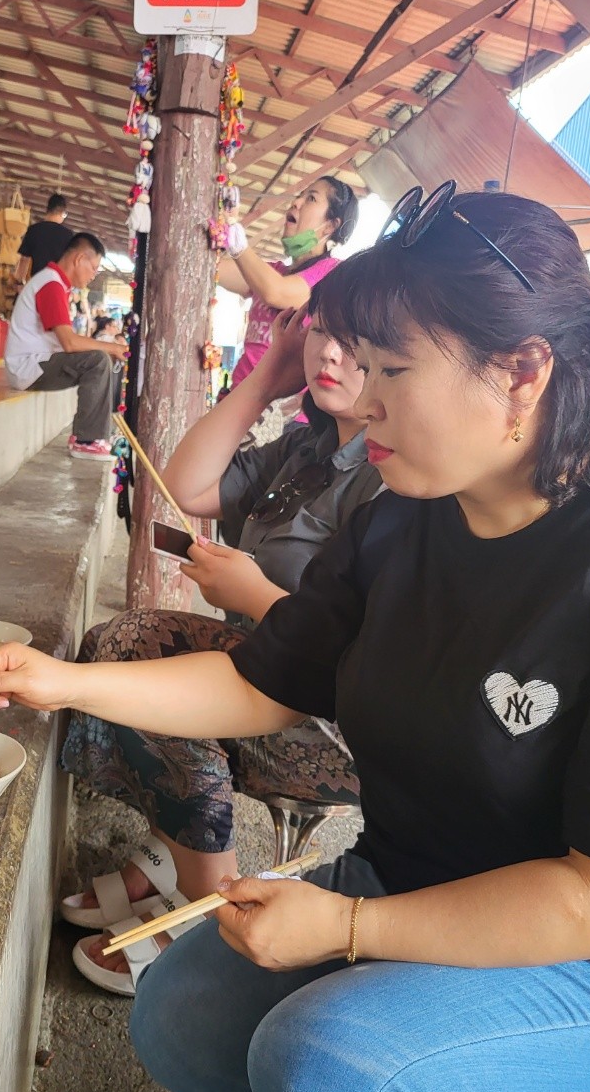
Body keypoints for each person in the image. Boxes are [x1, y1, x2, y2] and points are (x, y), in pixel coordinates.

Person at [0, 186, 590, 1092]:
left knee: (328, 1068)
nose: (360, 403)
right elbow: (261, 680)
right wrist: (61, 680)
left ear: (522, 372)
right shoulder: (401, 517)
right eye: (358, 366)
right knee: (182, 1021)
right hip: (415, 873)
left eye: (392, 371)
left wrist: (353, 926)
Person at [59, 300, 381, 994]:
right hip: (266, 673)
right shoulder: (302, 451)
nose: (330, 353)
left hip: (329, 723)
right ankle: (175, 853)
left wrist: (258, 594)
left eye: (355, 341)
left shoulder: (389, 479)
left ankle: (208, 900)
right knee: (117, 645)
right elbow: (184, 486)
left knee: (138, 647)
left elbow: (371, 653)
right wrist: (265, 377)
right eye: (322, 332)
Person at [220, 177, 358, 390]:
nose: (296, 203)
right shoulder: (274, 272)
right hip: (240, 395)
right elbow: (216, 269)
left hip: (284, 408)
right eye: (299, 196)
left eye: (311, 198)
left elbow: (275, 292)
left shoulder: (330, 272)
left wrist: (237, 243)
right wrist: (222, 223)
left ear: (330, 226)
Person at [4, 233, 127, 461]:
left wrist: (110, 349)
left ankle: (101, 432)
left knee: (104, 358)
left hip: (38, 363)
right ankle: (86, 440)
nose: (94, 275)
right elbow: (69, 343)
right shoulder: (50, 285)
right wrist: (111, 347)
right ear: (79, 259)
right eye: (94, 268)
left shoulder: (56, 283)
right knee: (98, 360)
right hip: (28, 367)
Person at [16, 194, 75, 283]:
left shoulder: (34, 230)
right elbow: (69, 264)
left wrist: (19, 281)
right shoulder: (68, 235)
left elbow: (24, 259)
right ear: (63, 213)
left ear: (47, 209)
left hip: (36, 281)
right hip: (56, 283)